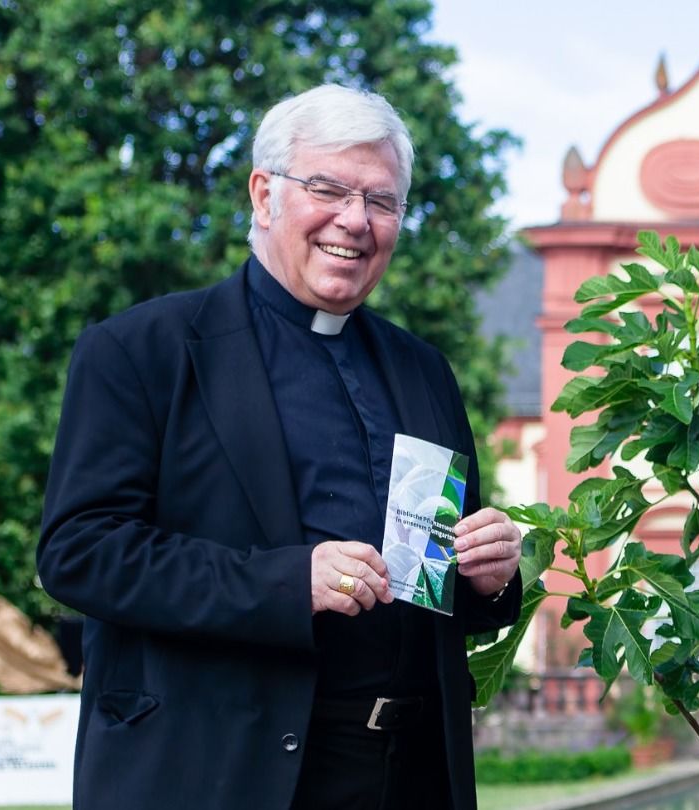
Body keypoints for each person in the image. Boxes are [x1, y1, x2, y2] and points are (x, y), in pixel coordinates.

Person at [37, 84, 524, 810]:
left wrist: (489, 575)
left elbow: (428, 579)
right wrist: (285, 584)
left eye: (382, 201)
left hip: (406, 774)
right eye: (328, 189)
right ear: (264, 196)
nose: (355, 221)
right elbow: (79, 552)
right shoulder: (142, 349)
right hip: (217, 773)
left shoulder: (425, 371)